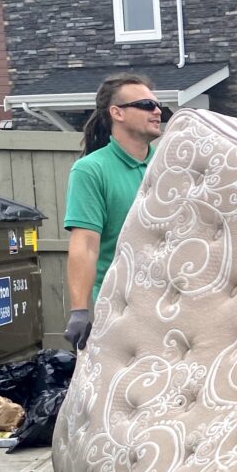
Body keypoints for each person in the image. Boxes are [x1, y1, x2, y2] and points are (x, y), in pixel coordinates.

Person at [61, 73, 164, 350]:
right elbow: (85, 243)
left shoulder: (169, 165)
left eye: (158, 105)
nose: (157, 111)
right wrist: (79, 311)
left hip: (173, 301)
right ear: (117, 113)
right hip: (123, 306)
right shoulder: (92, 170)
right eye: (146, 105)